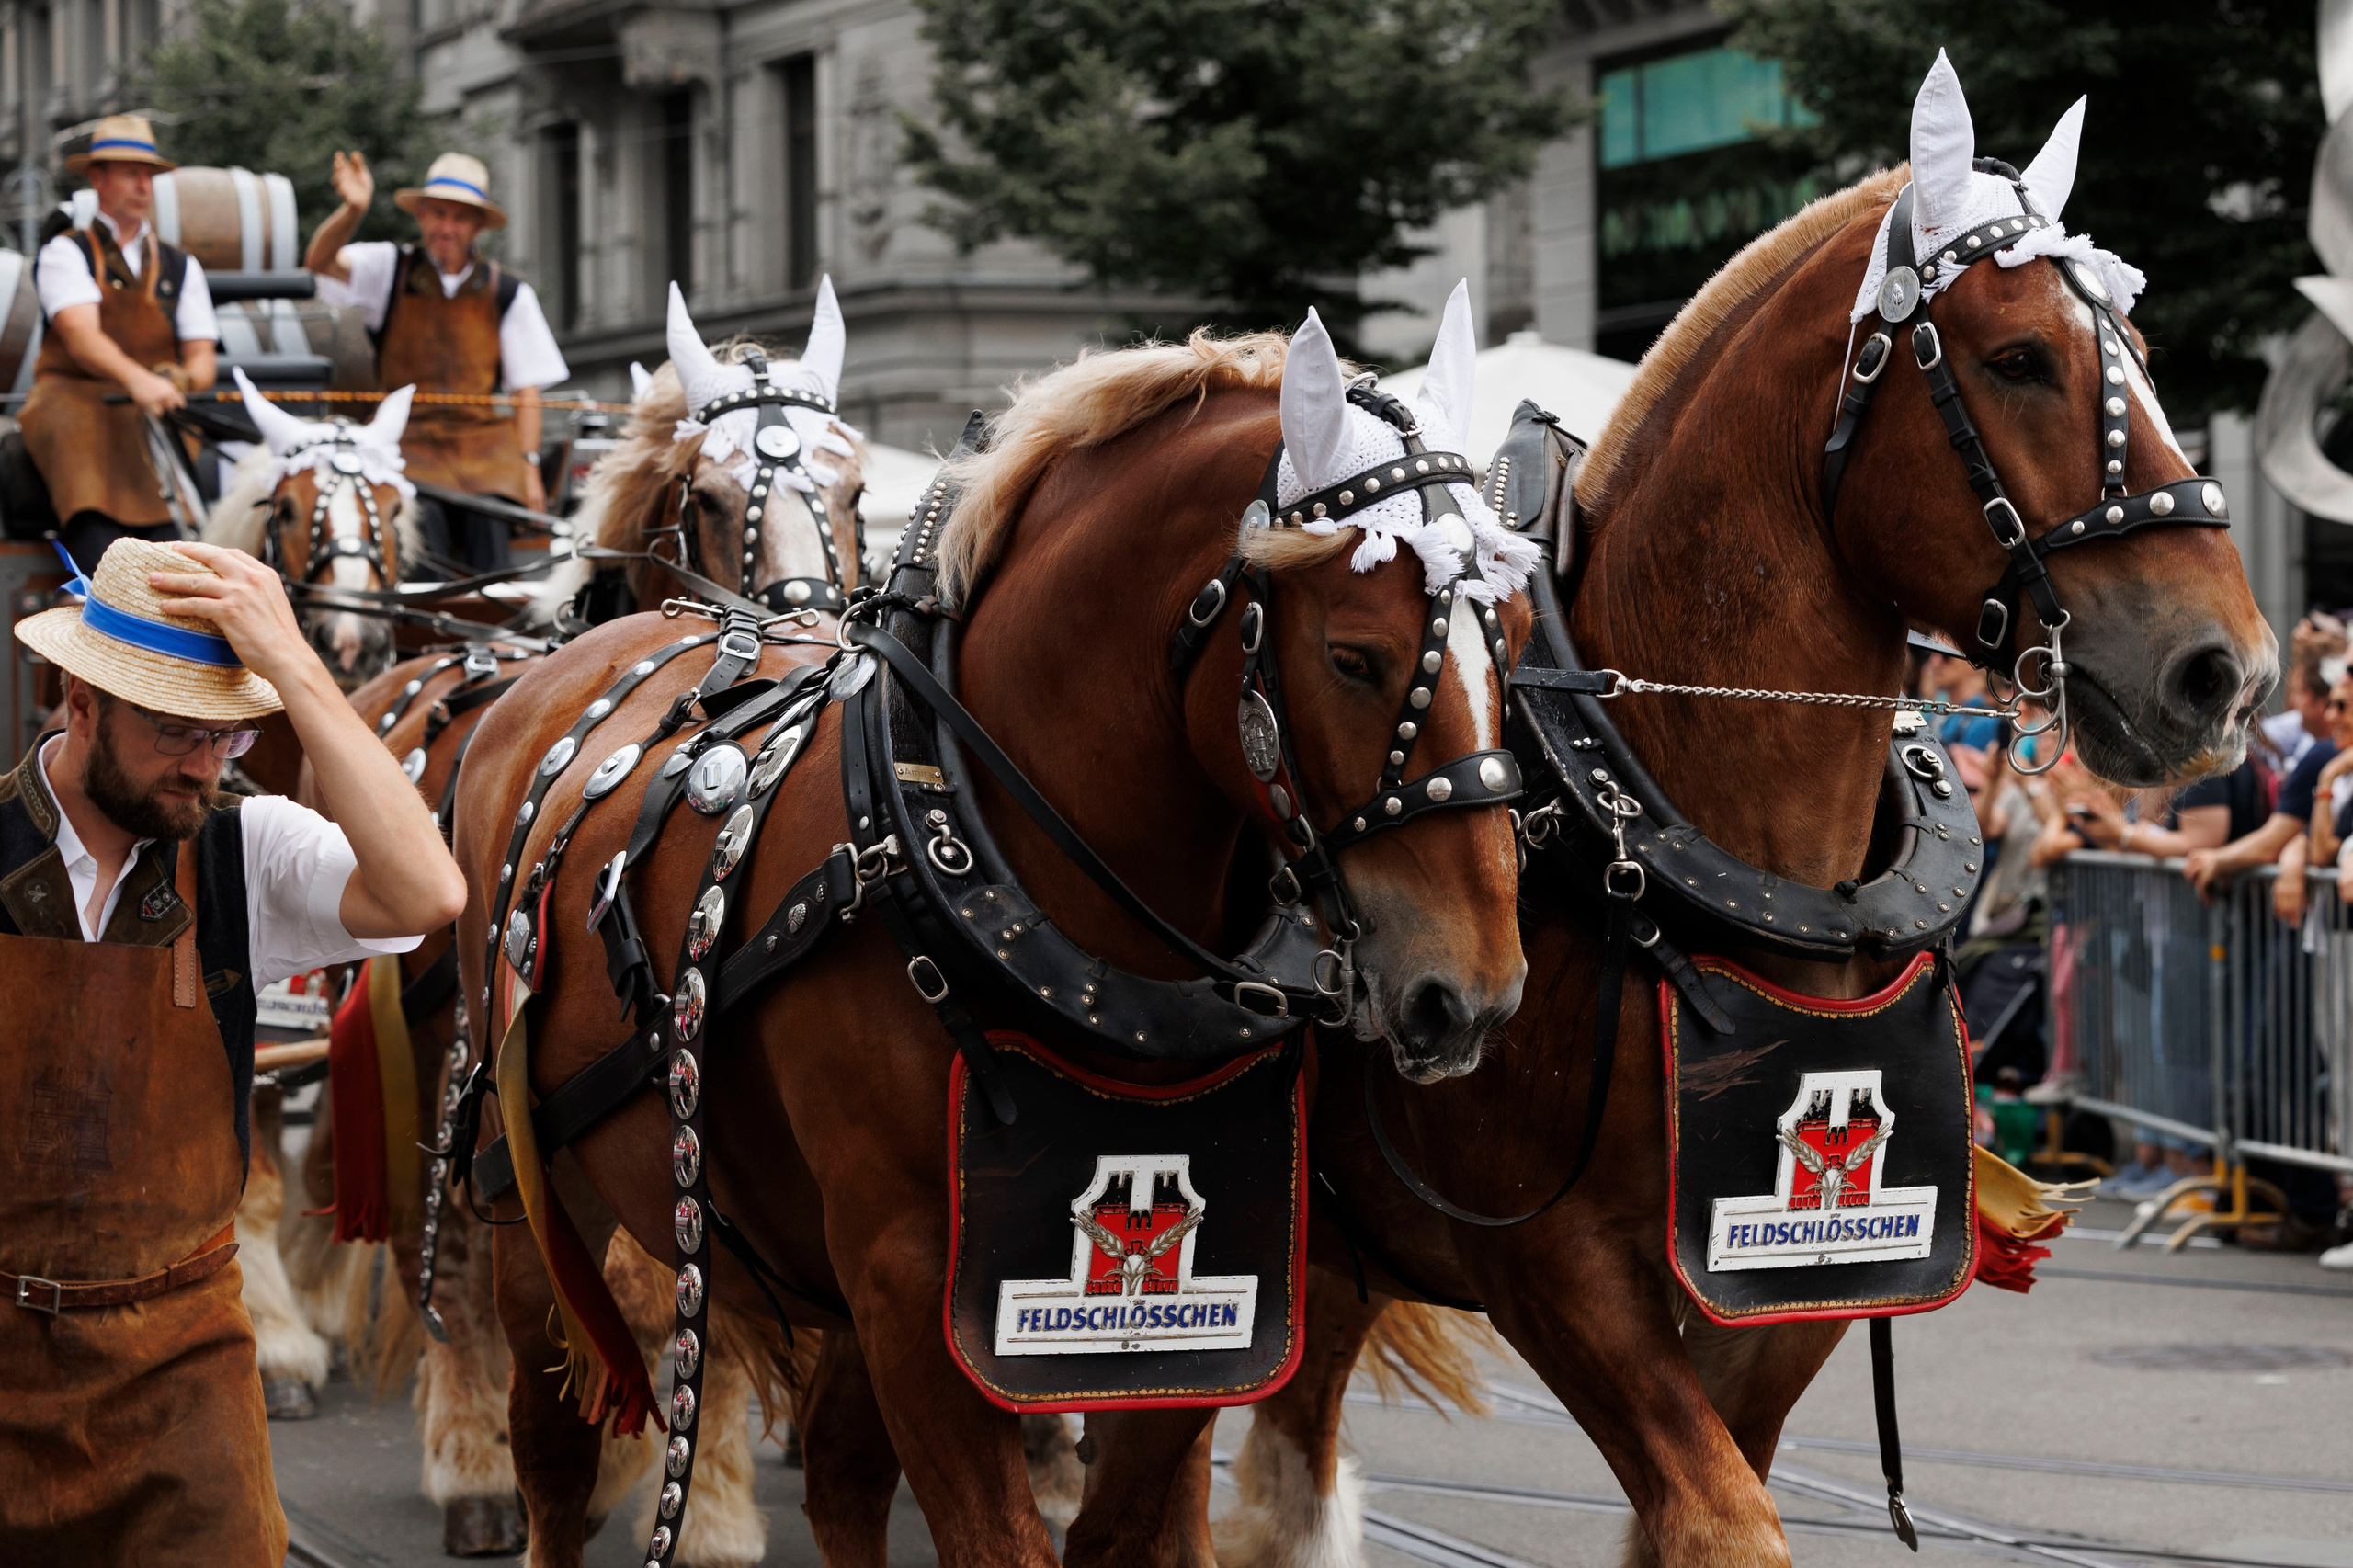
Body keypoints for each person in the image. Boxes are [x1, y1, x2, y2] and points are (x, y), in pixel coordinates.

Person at [0, 538, 464, 1559]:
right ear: (81, 701)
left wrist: (296, 668)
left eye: (229, 735)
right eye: (175, 730)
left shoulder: (245, 845)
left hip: (184, 1371)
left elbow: (427, 892)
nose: (204, 765)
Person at [302, 150, 568, 574]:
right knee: (424, 519)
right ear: (422, 215)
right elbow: (319, 262)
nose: (446, 227)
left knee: (492, 516)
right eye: (438, 213)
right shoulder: (389, 269)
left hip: (484, 448)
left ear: (478, 226)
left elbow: (527, 390)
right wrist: (353, 210)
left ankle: (494, 613)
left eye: (460, 218)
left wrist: (529, 466)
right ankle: (428, 612)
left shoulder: (507, 292)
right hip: (407, 442)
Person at [16, 114, 220, 570]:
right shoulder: (67, 251)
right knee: (98, 540)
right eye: (130, 173)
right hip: (75, 408)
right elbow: (81, 337)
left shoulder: (180, 265)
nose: (143, 185)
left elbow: (203, 357)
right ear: (98, 179)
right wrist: (137, 379)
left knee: (179, 552)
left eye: (148, 175)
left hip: (151, 418)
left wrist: (180, 379)